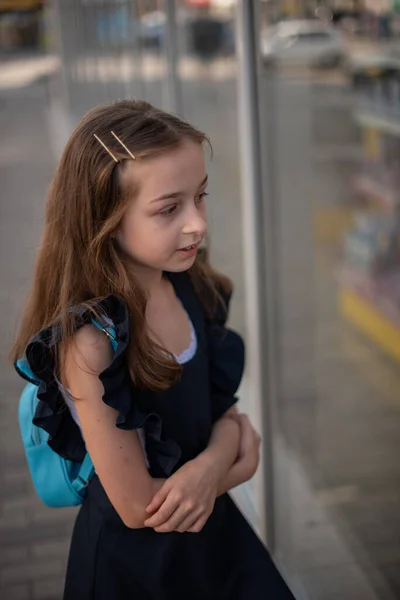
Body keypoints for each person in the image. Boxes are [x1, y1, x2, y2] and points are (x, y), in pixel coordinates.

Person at [11, 100, 295, 600]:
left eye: (200, 197)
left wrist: (207, 468)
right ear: (106, 219)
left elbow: (227, 419)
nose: (198, 224)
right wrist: (226, 461)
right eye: (169, 208)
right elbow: (141, 507)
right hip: (136, 571)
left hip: (215, 539)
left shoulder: (193, 287)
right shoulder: (90, 344)